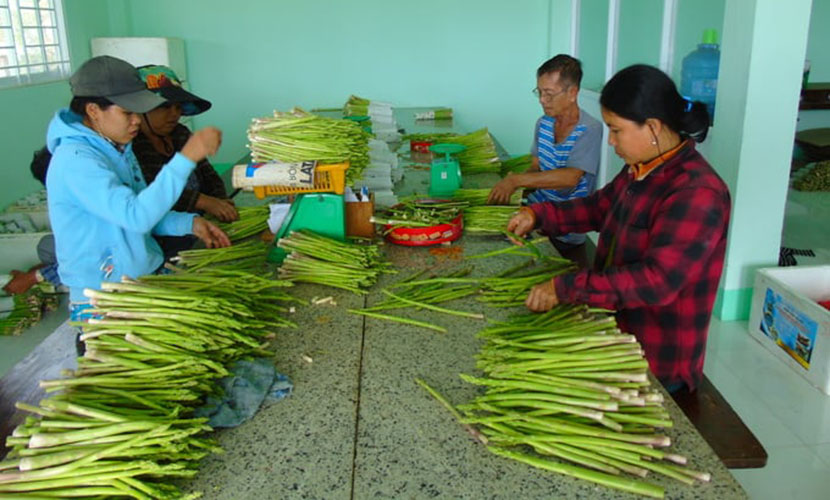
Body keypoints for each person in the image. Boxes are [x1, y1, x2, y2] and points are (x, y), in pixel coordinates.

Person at [506, 64, 731, 393]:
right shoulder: (641, 169)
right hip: (618, 336)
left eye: (616, 130)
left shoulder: (697, 192)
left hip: (655, 362)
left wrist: (565, 288)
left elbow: (657, 281)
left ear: (652, 127)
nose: (610, 141)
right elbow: (598, 208)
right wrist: (538, 215)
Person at [45, 55, 230, 319]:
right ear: (93, 110)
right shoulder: (76, 161)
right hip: (105, 296)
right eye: (127, 112)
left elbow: (142, 208)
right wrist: (186, 158)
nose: (137, 121)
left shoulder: (119, 148)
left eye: (138, 112)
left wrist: (189, 223)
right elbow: (136, 216)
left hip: (143, 278)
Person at [488, 54, 602, 268]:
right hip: (535, 214)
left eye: (549, 94)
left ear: (572, 93)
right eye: (539, 92)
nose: (542, 100)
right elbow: (536, 166)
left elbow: (570, 178)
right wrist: (514, 191)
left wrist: (516, 181)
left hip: (566, 229)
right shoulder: (544, 124)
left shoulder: (589, 129)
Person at [134, 64, 238, 257]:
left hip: (203, 226)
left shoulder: (180, 134)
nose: (174, 114)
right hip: (166, 239)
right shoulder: (135, 146)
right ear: (141, 110)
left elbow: (208, 173)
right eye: (165, 107)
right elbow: (155, 191)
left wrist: (221, 201)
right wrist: (204, 202)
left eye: (178, 107)